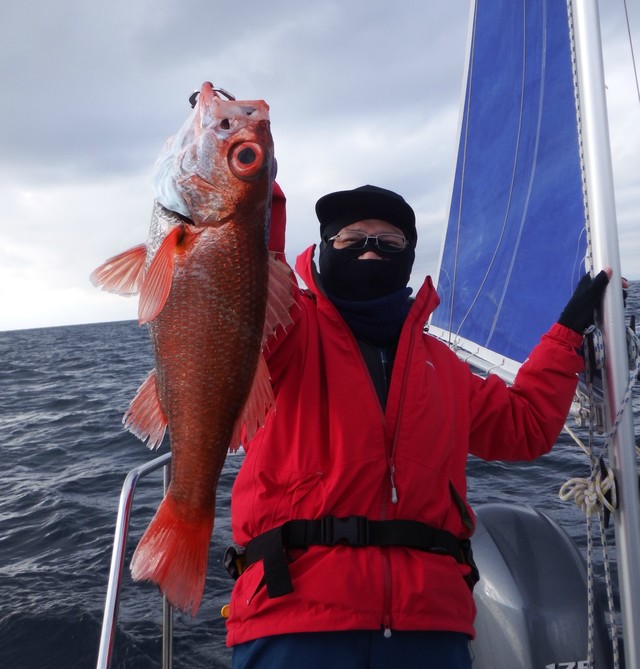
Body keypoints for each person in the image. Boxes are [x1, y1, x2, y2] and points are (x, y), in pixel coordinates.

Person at [225, 183, 611, 668]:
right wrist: (247, 180)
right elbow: (243, 277)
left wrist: (567, 334)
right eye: (352, 239)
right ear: (324, 249)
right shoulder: (285, 330)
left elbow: (525, 425)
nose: (371, 251)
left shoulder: (443, 366)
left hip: (430, 625)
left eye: (389, 242)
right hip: (294, 617)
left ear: (408, 257)